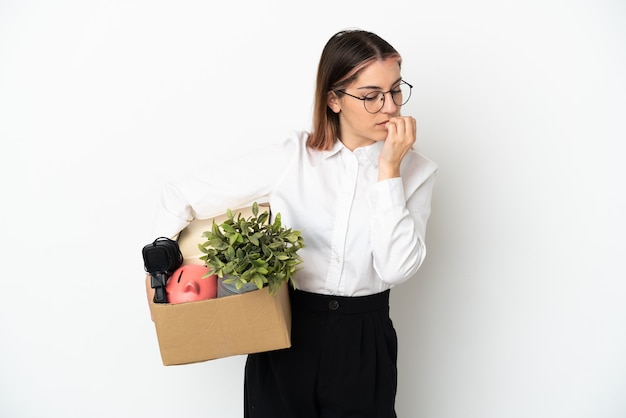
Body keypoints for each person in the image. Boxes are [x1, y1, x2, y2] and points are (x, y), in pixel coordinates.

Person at [148, 28, 438, 418]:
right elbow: (181, 195)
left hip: (364, 338)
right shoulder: (292, 158)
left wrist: (389, 169)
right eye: (371, 96)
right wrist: (160, 264)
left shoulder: (416, 171)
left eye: (396, 91)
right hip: (284, 332)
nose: (390, 107)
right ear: (333, 99)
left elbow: (395, 267)